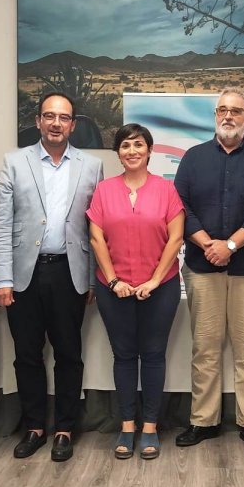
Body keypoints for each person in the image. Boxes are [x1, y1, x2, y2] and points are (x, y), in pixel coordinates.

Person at [0, 92, 103, 462]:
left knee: (70, 354)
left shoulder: (90, 166)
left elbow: (94, 228)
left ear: (73, 125)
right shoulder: (13, 162)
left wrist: (90, 280)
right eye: (49, 116)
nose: (56, 123)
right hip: (24, 275)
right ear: (38, 121)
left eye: (64, 118)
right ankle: (35, 426)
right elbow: (2, 223)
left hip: (69, 273)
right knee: (27, 355)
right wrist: (1, 279)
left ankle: (65, 429)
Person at [173, 87, 244, 452]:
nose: (228, 116)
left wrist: (230, 245)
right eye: (222, 110)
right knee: (205, 346)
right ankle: (204, 421)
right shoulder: (193, 157)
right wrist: (207, 244)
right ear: (215, 115)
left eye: (236, 111)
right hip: (203, 267)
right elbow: (181, 206)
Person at [87, 123, 185, 460]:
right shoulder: (103, 190)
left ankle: (150, 427)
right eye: (125, 145)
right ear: (118, 152)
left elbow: (175, 238)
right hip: (114, 289)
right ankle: (127, 425)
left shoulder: (166, 190)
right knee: (124, 356)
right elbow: (96, 237)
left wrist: (155, 280)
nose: (132, 151)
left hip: (160, 287)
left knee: (154, 355)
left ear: (149, 150)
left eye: (138, 144)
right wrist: (114, 281)